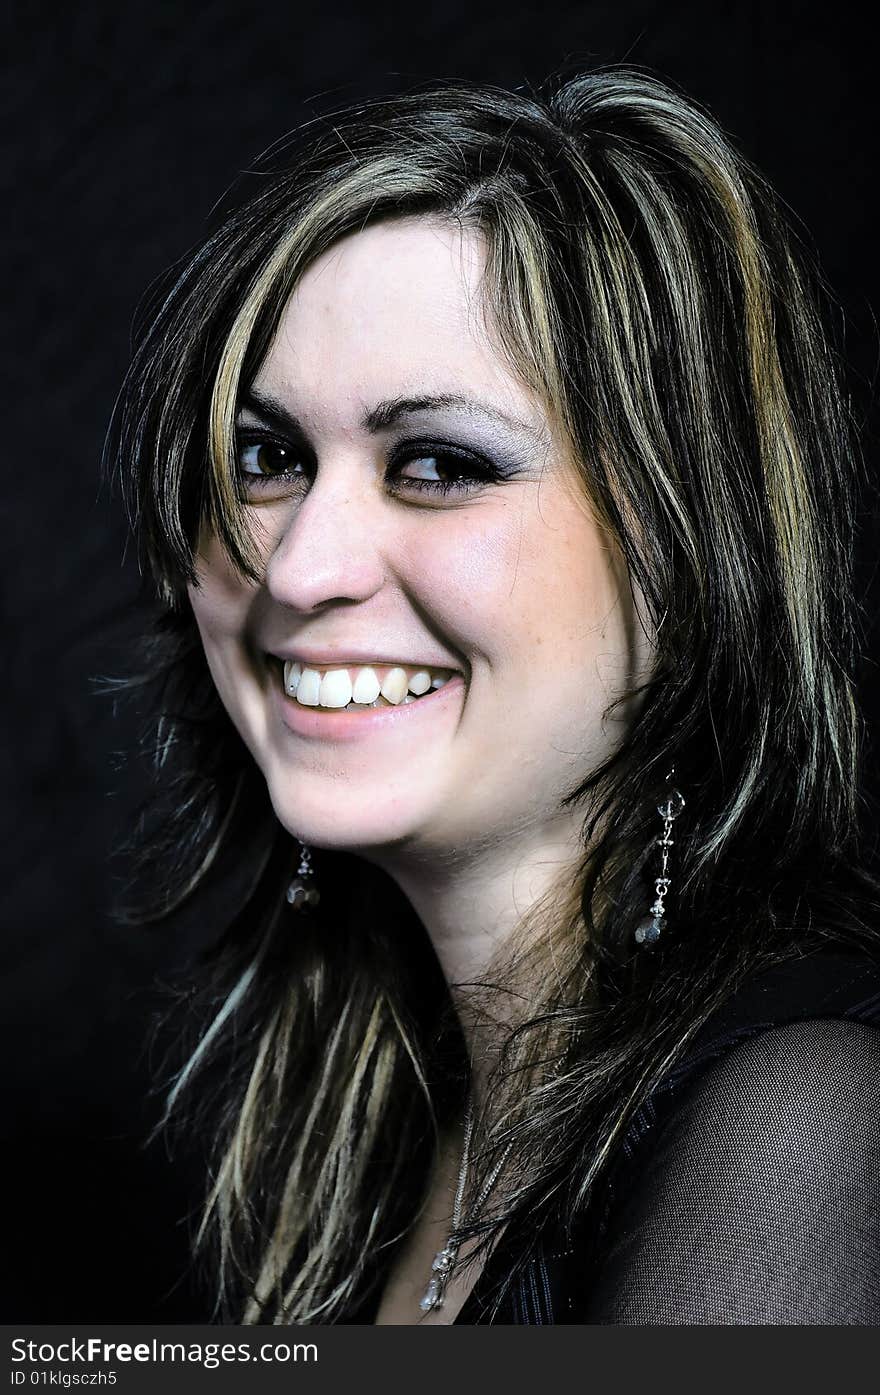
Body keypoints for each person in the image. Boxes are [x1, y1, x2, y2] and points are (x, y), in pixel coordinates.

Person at [106, 66, 880, 1325]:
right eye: (266, 458)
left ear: (688, 558)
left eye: (439, 464)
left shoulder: (801, 1130)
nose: (298, 567)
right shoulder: (393, 1130)